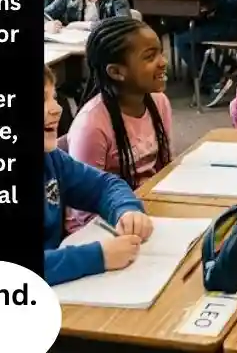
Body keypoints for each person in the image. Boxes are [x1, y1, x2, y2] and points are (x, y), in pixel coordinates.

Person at [43, 65, 153, 286]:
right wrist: (96, 257)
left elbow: (104, 186)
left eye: (53, 97)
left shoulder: (51, 158)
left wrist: (126, 210)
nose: (57, 108)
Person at [66, 17, 172, 233]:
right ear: (116, 72)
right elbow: (84, 210)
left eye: (160, 52)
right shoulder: (91, 125)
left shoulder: (159, 102)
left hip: (147, 211)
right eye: (150, 57)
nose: (163, 61)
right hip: (101, 227)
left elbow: (166, 168)